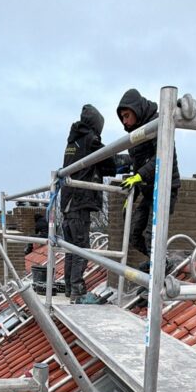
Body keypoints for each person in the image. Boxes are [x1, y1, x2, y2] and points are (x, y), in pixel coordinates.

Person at [116, 88, 181, 276]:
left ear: (136, 110)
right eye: (122, 118)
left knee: (153, 236)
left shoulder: (158, 123)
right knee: (134, 234)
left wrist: (139, 176)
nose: (125, 121)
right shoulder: (136, 134)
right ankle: (159, 262)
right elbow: (138, 169)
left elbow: (162, 156)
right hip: (148, 190)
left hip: (164, 188)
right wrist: (131, 195)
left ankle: (157, 274)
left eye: (127, 116)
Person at [60, 104, 116, 302]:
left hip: (67, 204)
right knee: (82, 248)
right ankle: (77, 290)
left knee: (71, 249)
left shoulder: (73, 141)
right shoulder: (90, 139)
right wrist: (128, 160)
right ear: (96, 125)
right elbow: (109, 161)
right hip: (79, 203)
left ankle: (69, 287)